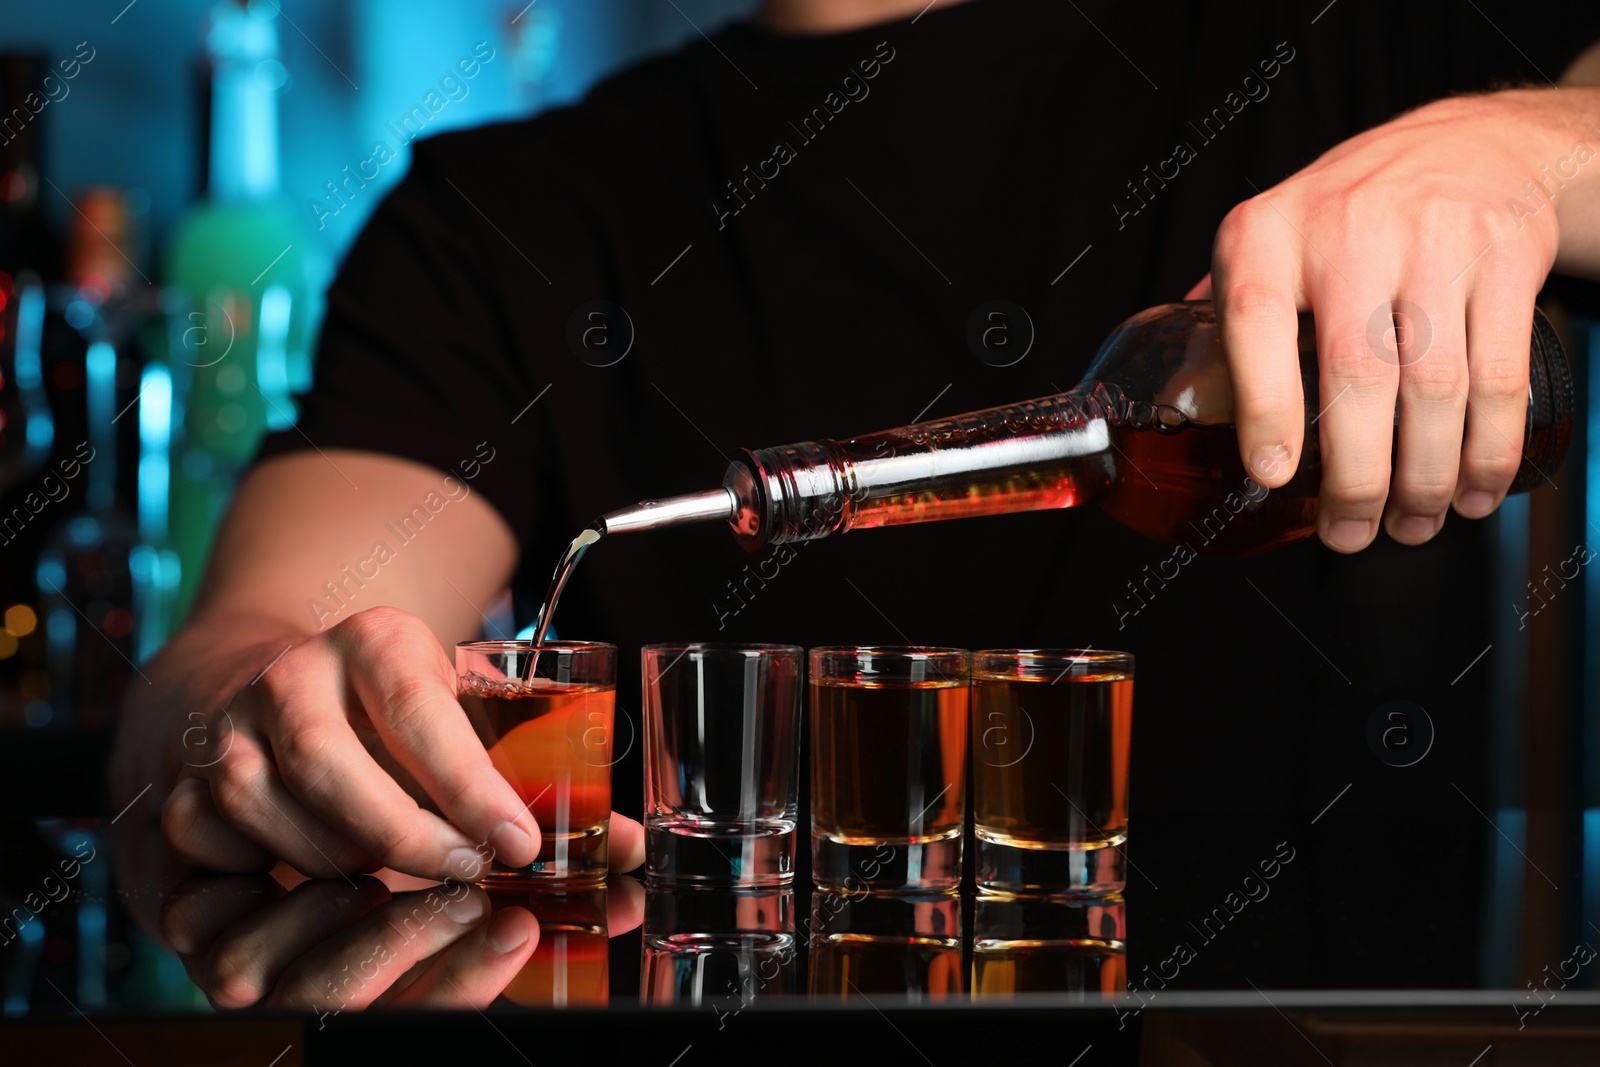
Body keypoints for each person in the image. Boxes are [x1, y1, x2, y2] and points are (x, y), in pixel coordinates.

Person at [114, 0, 1600, 973]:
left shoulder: (1350, 45)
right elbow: (243, 658)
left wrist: (1532, 145)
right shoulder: (498, 217)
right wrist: (259, 723)